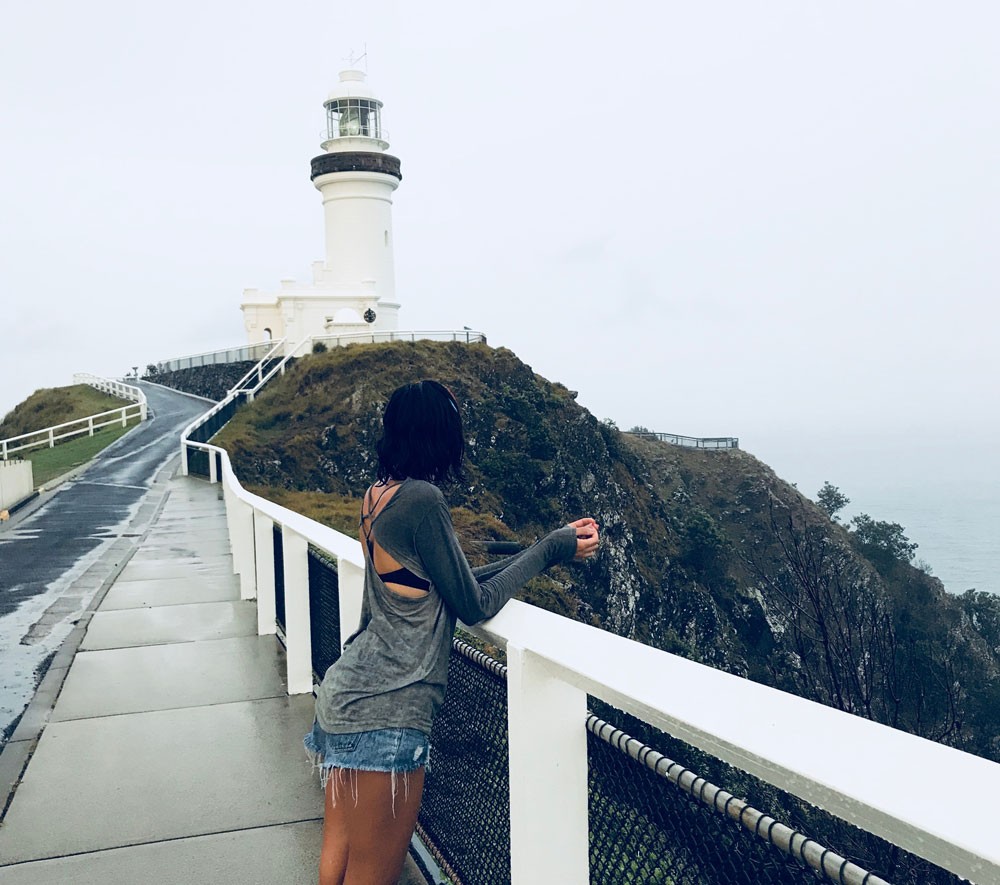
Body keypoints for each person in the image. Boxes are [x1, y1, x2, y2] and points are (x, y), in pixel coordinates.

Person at [304, 379, 599, 885]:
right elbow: (472, 604)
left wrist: (531, 552)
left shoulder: (377, 497)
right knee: (373, 875)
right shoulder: (423, 499)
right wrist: (553, 548)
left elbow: (443, 585)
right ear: (438, 437)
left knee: (339, 858)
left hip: (344, 696)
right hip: (389, 710)